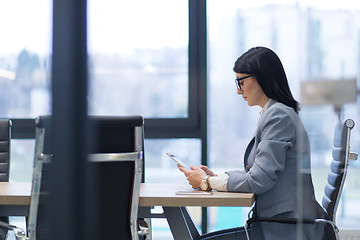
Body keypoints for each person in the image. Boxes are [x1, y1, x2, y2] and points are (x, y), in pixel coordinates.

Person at [178, 46, 326, 239]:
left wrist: (207, 182)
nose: (239, 91)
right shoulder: (275, 113)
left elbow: (259, 179)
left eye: (241, 82)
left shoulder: (279, 115)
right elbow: (258, 172)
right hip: (279, 222)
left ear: (261, 78)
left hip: (285, 227)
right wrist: (216, 178)